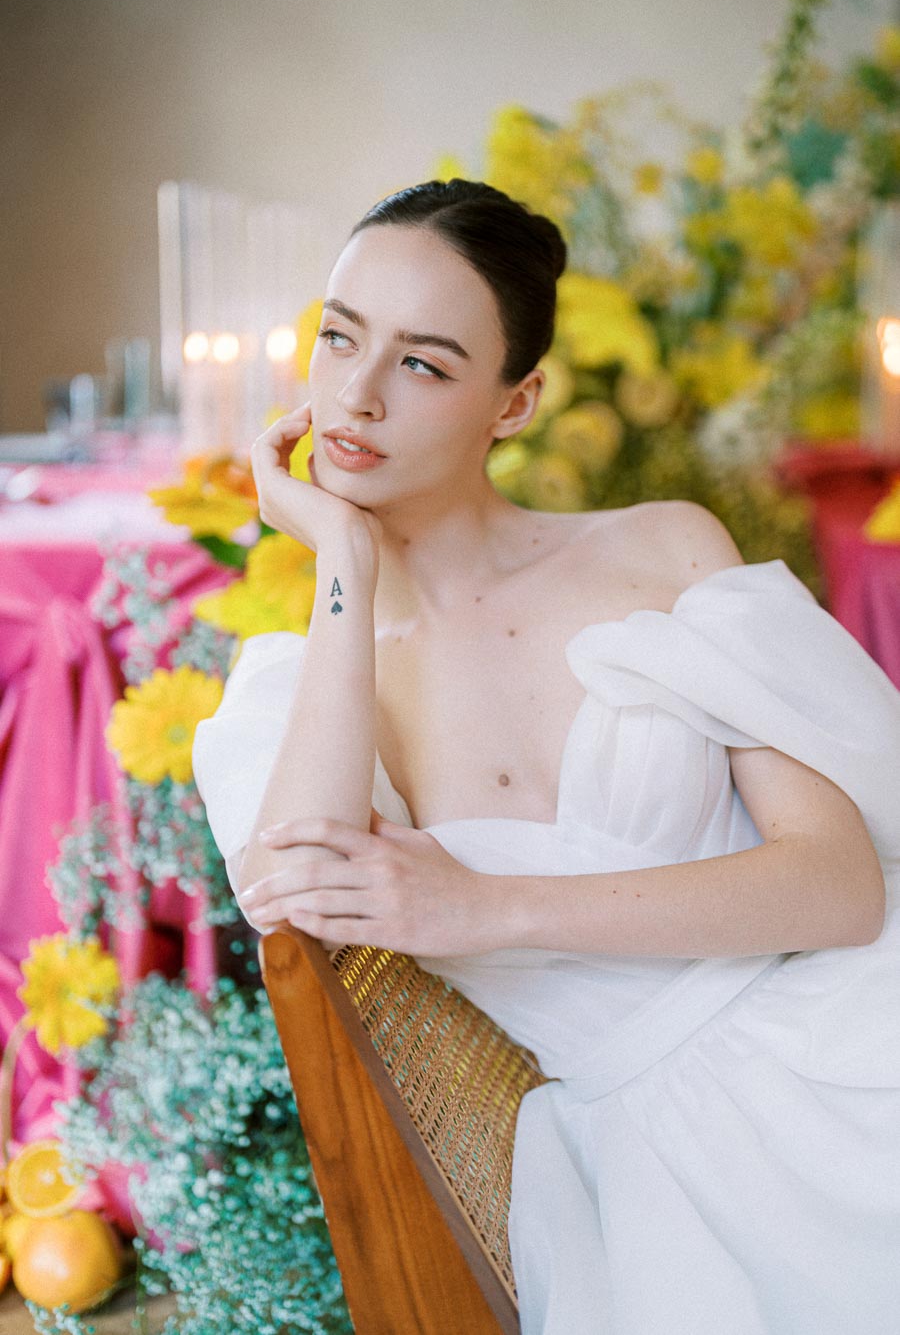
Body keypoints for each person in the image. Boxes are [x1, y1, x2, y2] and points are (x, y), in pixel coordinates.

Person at [192, 178, 900, 1335]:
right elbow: (294, 892)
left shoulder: (663, 548)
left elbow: (838, 886)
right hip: (644, 1163)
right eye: (337, 337)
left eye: (423, 363)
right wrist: (342, 561)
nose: (355, 397)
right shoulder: (302, 677)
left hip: (854, 1036)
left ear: (515, 405)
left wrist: (486, 905)